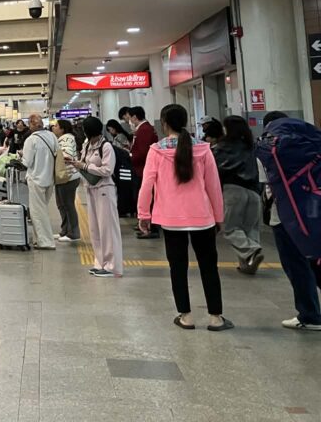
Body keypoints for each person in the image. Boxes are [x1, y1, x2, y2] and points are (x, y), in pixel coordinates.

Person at [138, 103, 231, 331]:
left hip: (171, 220)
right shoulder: (203, 148)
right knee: (209, 266)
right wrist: (219, 216)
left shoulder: (156, 150)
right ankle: (216, 317)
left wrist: (144, 214)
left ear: (165, 123)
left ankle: (186, 316)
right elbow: (213, 186)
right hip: (202, 217)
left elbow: (147, 184)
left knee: (177, 268)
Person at [258, 112, 321, 331]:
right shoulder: (310, 144)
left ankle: (310, 315)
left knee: (296, 265)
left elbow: (268, 185)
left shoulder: (271, 150)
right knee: (315, 259)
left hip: (286, 216)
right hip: (313, 210)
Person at [71, 117, 123, 277]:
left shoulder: (106, 147)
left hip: (105, 189)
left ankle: (112, 266)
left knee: (108, 229)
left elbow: (108, 170)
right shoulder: (87, 145)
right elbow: (83, 162)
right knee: (95, 228)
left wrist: (86, 166)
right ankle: (100, 262)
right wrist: (76, 163)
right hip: (90, 188)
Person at [212, 115, 264, 274]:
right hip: (254, 192)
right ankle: (247, 264)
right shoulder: (252, 146)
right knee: (250, 229)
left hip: (233, 190)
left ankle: (251, 251)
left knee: (230, 228)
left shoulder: (222, 147)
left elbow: (215, 171)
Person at [21, 114, 58, 250]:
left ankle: (46, 242)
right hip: (50, 178)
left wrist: (21, 155)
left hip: (36, 179)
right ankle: (39, 239)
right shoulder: (52, 136)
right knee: (42, 210)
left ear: (31, 125)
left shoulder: (31, 140)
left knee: (38, 212)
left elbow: (27, 162)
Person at [129, 106, 159, 239]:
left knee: (147, 197)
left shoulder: (144, 130)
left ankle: (151, 227)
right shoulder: (142, 129)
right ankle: (145, 223)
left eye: (130, 118)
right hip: (140, 168)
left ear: (135, 117)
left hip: (143, 168)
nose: (129, 121)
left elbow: (143, 152)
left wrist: (131, 157)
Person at [52, 119, 81, 243]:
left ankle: (73, 233)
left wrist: (53, 154)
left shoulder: (66, 139)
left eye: (56, 126)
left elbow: (67, 154)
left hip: (68, 176)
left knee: (68, 205)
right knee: (61, 205)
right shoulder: (62, 139)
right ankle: (65, 230)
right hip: (62, 177)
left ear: (63, 129)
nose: (54, 127)